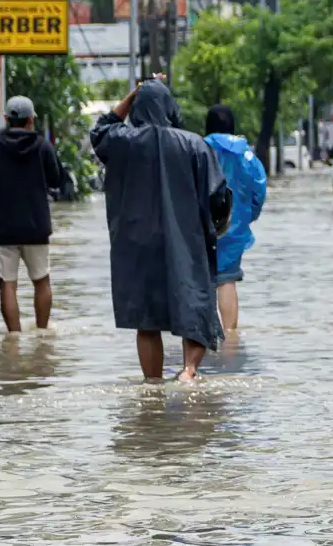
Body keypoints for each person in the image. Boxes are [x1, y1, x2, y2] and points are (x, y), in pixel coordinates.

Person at [91, 78, 233, 383]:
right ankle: (189, 371)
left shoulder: (120, 141)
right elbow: (218, 196)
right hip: (186, 240)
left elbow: (99, 129)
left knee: (147, 319)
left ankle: (153, 385)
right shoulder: (194, 144)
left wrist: (132, 94)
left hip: (136, 244)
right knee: (195, 306)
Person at [0, 96, 64, 333]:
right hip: (36, 227)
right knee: (41, 280)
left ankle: (13, 338)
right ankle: (43, 334)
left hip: (2, 228)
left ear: (6, 119)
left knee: (7, 284)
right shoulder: (43, 147)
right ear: (31, 120)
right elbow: (57, 180)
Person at [203, 104, 268, 334]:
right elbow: (259, 191)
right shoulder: (247, 156)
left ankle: (199, 337)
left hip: (199, 225)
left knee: (199, 280)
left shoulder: (198, 149)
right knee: (227, 280)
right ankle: (230, 338)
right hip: (234, 227)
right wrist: (248, 217)